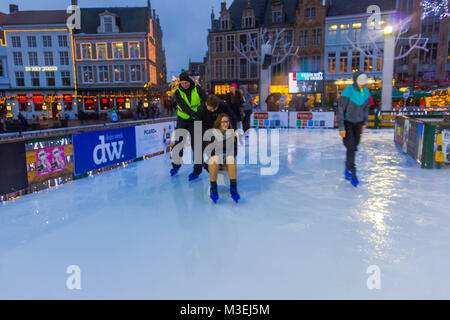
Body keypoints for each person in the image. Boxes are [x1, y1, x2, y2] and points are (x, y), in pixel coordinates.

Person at [170, 71, 208, 180]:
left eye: (186, 82)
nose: (184, 85)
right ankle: (176, 165)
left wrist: (201, 111)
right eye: (182, 83)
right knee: (179, 142)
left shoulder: (198, 89)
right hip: (183, 119)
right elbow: (184, 107)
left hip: (195, 120)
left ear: (189, 81)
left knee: (196, 145)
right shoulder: (178, 93)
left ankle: (197, 170)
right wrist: (195, 114)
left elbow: (206, 100)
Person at [337, 71, 371, 187]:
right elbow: (340, 110)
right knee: (350, 147)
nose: (362, 85)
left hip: (358, 124)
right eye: (361, 83)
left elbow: (366, 108)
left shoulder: (366, 91)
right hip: (347, 123)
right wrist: (341, 127)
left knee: (354, 147)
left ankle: (347, 166)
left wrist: (365, 122)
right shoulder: (347, 91)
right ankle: (353, 172)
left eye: (364, 83)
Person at [206, 113, 240, 203]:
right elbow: (209, 151)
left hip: (226, 161)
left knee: (231, 158)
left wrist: (226, 155)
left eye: (227, 122)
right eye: (223, 122)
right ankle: (213, 188)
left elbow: (235, 151)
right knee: (215, 158)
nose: (226, 124)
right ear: (219, 123)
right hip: (215, 161)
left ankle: (233, 189)